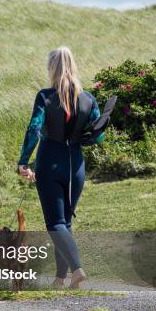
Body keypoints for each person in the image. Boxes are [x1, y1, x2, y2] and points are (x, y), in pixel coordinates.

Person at [17, 46, 105, 289]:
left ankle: (77, 269)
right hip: (75, 164)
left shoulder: (45, 96)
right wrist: (83, 140)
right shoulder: (89, 99)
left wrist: (23, 161)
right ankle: (60, 279)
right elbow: (98, 134)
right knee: (64, 223)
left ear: (52, 68)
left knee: (55, 223)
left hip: (49, 161)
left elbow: (34, 128)